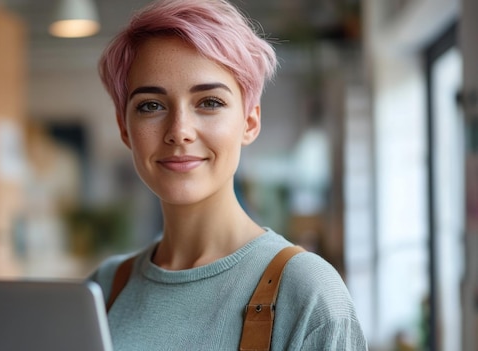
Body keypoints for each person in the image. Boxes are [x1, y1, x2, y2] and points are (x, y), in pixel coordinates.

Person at [90, 0, 368, 350]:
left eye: (209, 102)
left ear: (250, 122)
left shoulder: (307, 291)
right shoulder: (104, 288)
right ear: (124, 128)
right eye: (151, 105)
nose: (180, 131)